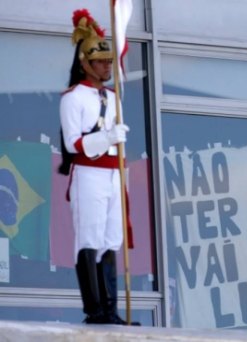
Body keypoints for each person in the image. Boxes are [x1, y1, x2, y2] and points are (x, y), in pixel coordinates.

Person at [59, 9, 137, 325]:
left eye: (109, 61)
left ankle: (111, 308)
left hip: (114, 173)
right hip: (89, 172)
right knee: (89, 237)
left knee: (111, 237)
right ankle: (94, 309)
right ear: (85, 64)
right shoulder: (72, 98)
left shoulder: (113, 97)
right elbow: (72, 144)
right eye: (101, 61)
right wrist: (106, 137)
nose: (107, 66)